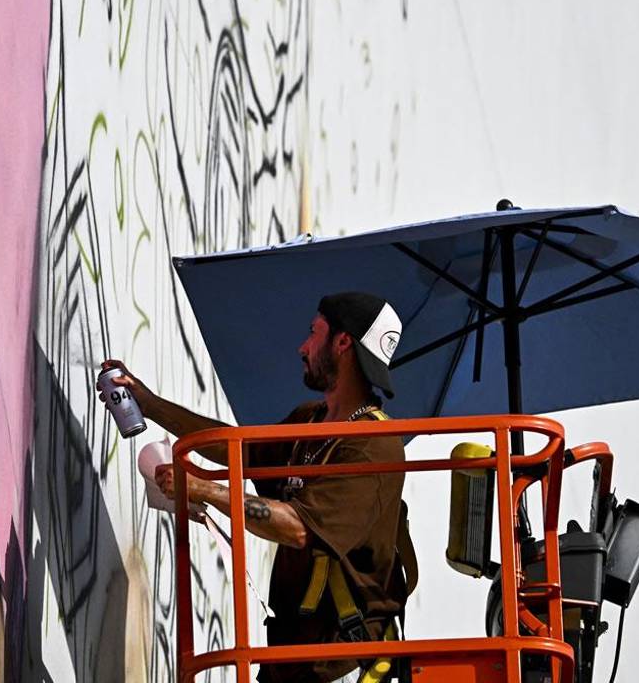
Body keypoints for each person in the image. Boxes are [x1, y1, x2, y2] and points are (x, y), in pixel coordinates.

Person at [102, 292, 416, 683]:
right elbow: (237, 450)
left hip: (339, 663)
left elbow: (298, 528)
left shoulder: (373, 444)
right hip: (291, 661)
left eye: (314, 333)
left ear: (343, 342)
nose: (303, 347)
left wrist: (207, 491)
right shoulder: (311, 421)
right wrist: (151, 405)